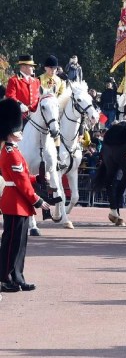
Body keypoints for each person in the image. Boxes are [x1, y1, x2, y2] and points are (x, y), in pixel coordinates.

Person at [0, 98, 50, 294]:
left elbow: (23, 176)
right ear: (10, 132)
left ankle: (17, 277)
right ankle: (5, 277)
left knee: (19, 245)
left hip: (19, 202)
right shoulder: (10, 152)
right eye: (18, 129)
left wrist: (37, 178)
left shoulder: (14, 151)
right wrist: (38, 200)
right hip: (14, 201)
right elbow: (20, 182)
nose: (21, 131)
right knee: (11, 244)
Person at [5, 55, 40, 120]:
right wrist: (19, 105)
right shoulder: (14, 80)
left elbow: (38, 97)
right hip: (20, 116)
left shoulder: (36, 81)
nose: (33, 68)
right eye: (31, 66)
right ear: (23, 67)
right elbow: (10, 96)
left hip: (35, 116)